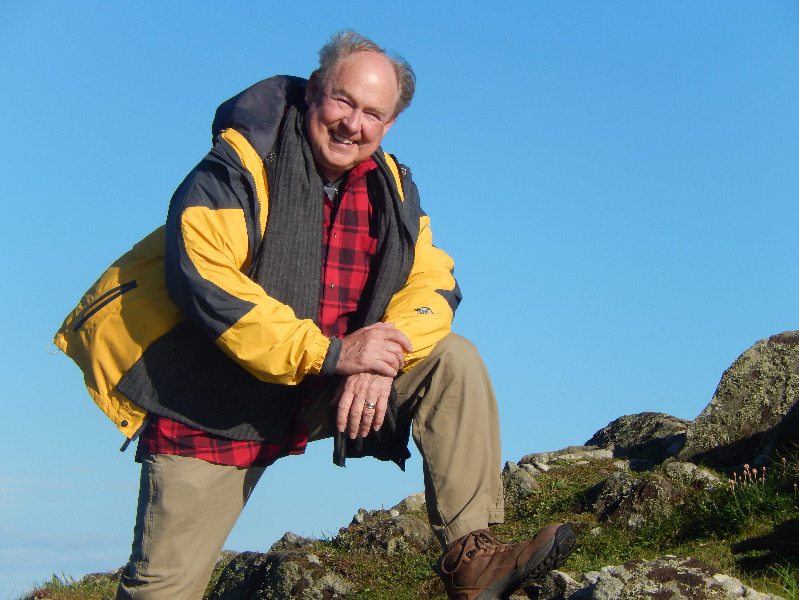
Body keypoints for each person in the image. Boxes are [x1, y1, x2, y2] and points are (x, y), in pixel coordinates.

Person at [113, 31, 576, 600]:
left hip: (322, 390)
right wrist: (336, 353)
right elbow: (206, 283)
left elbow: (434, 281)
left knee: (451, 360)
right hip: (213, 407)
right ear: (314, 90)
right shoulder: (237, 166)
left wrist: (381, 357)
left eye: (373, 114)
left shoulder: (393, 187)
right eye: (343, 101)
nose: (353, 124)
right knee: (161, 588)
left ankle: (472, 558)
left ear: (390, 123)